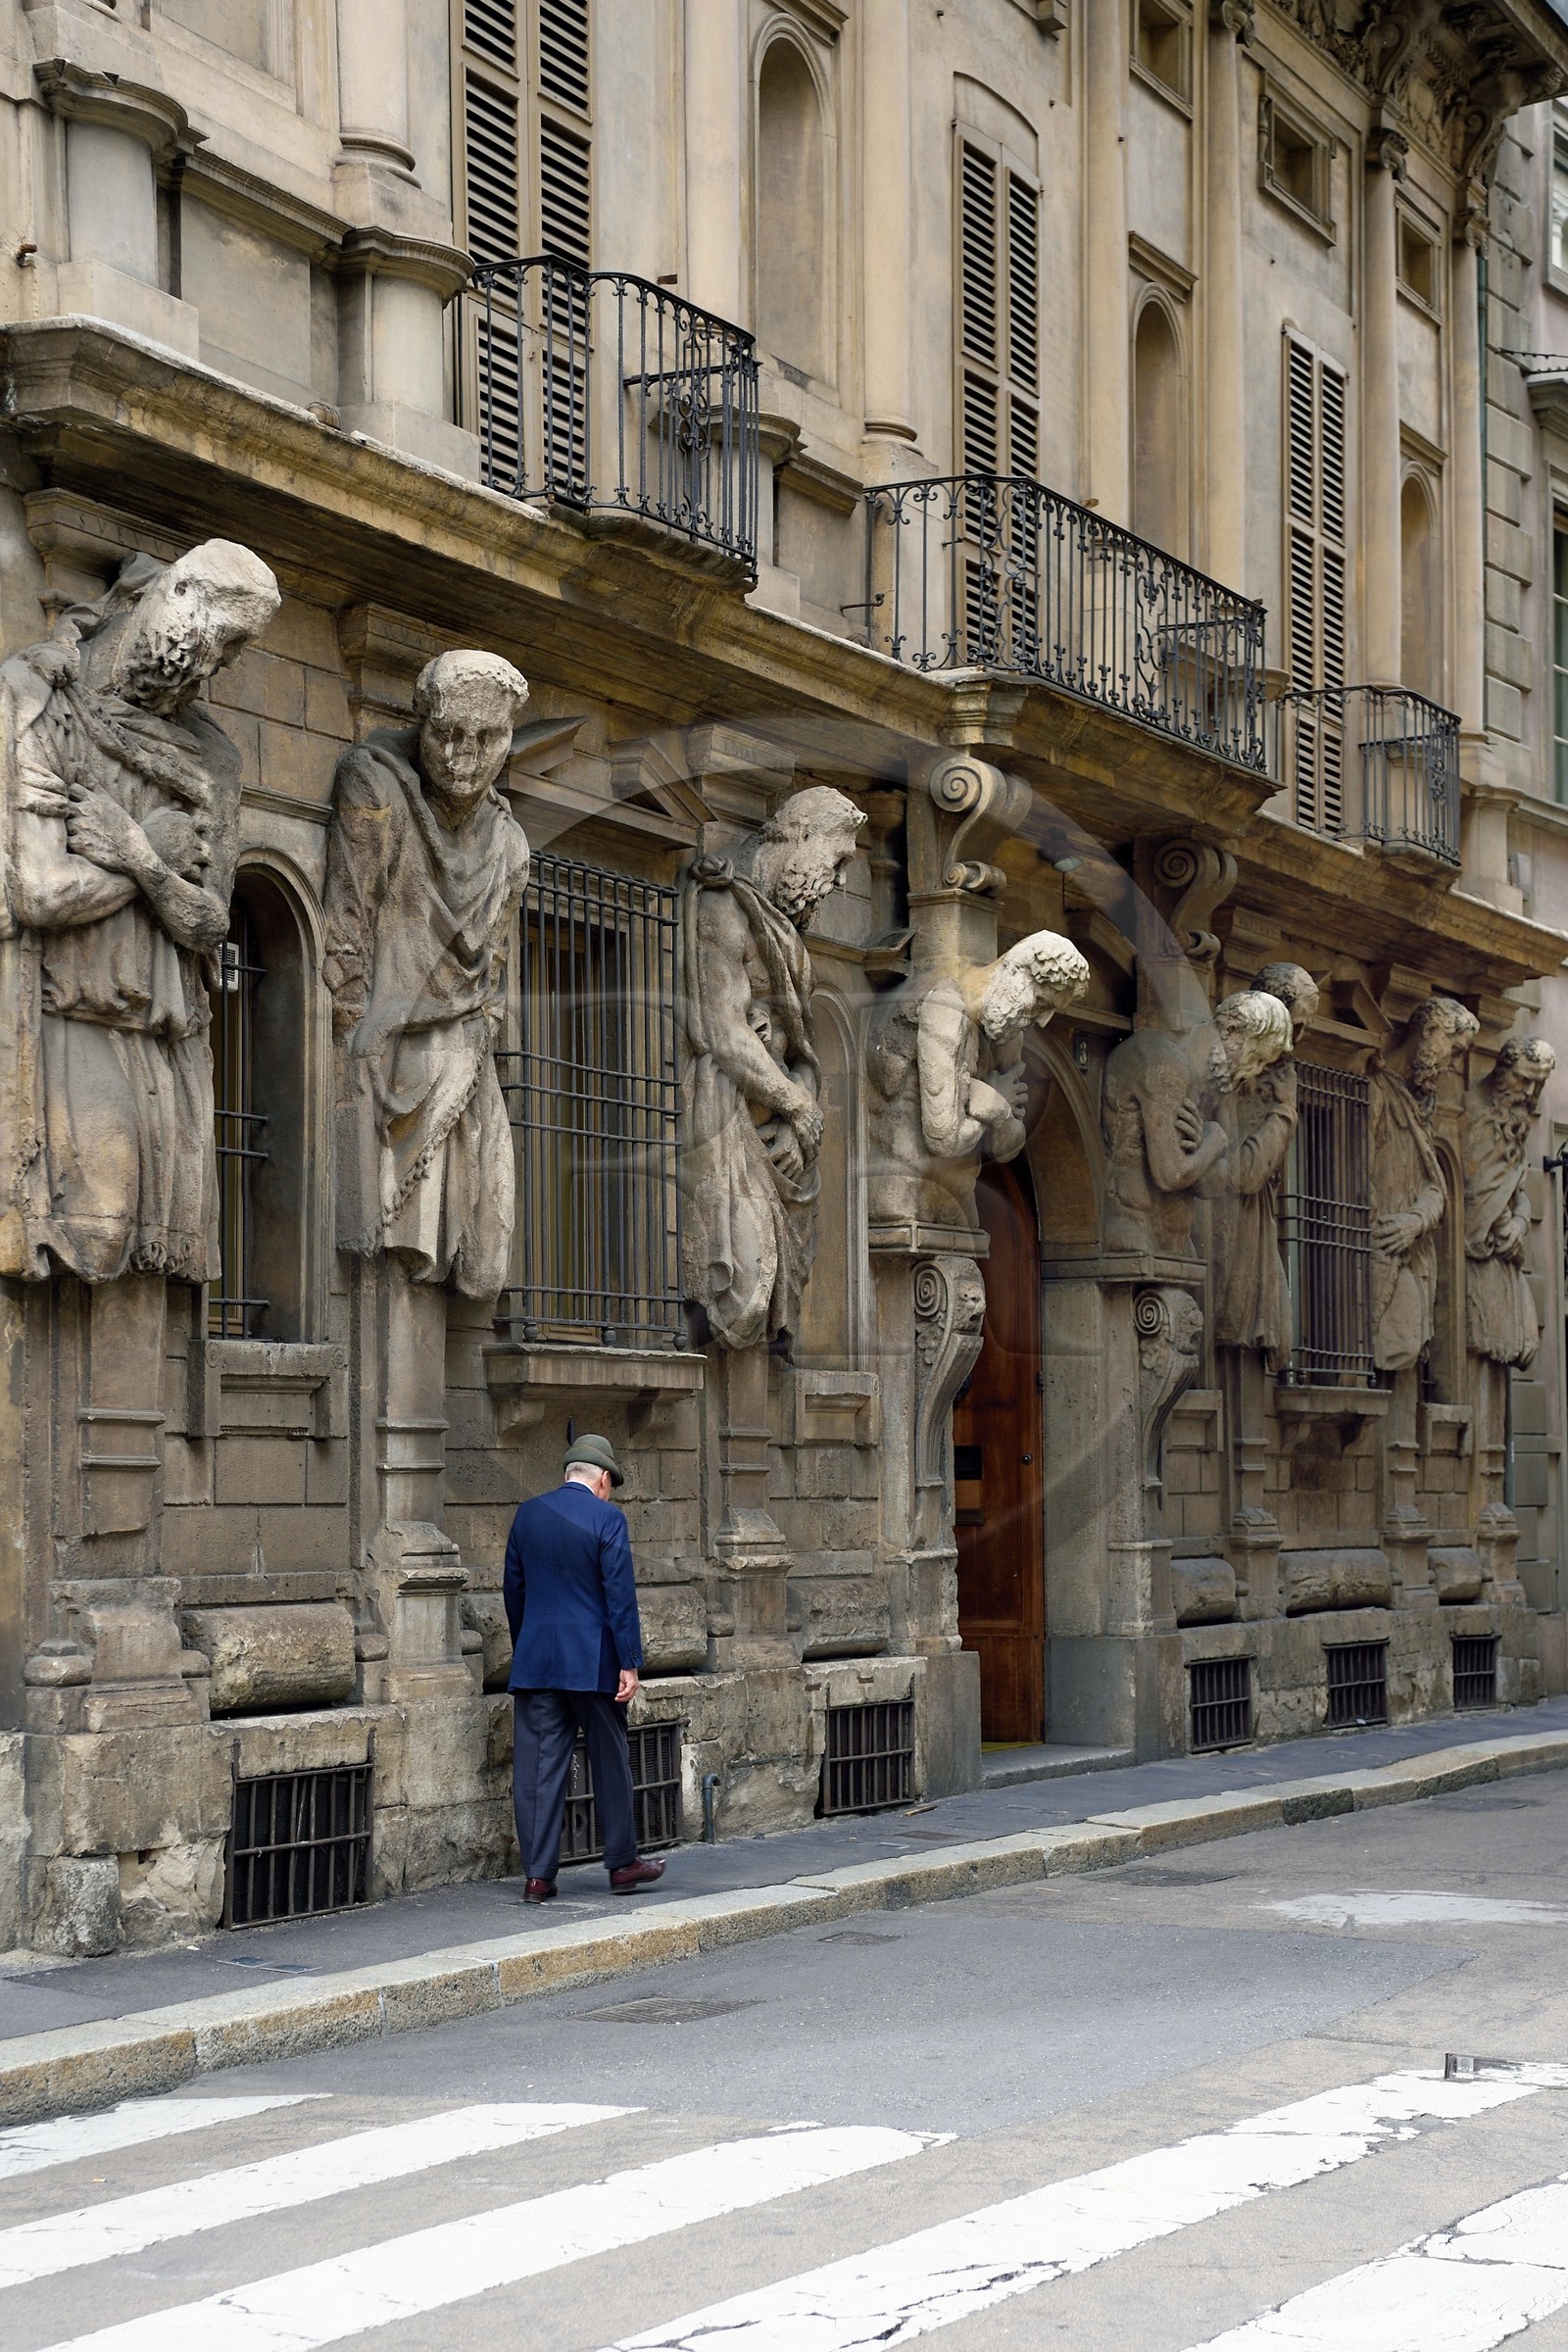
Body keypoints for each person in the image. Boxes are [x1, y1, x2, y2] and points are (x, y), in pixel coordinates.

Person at [504, 1434, 665, 1901]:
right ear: (601, 1480)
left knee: (537, 1771)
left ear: (567, 1474)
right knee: (611, 1760)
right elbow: (620, 1597)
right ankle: (622, 1866)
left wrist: (528, 1644)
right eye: (611, 1483)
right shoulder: (607, 1518)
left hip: (536, 1663)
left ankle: (537, 1877)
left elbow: (513, 1590)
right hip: (594, 1664)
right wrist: (629, 1663)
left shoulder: (527, 1514)